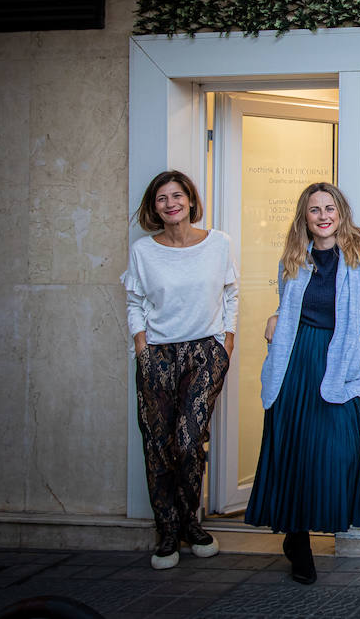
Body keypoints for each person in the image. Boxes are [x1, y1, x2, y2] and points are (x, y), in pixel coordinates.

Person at [245, 182, 360, 584]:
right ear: (304, 218)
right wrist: (274, 320)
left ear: (341, 212)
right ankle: (298, 541)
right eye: (314, 210)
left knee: (336, 449)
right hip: (294, 364)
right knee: (293, 452)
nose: (323, 216)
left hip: (337, 362)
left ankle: (312, 528)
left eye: (330, 208)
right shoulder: (294, 258)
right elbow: (286, 310)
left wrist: (355, 354)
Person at [121, 170, 238, 570]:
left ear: (190, 200)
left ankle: (190, 519)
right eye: (161, 199)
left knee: (188, 441)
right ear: (154, 208)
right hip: (157, 354)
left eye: (177, 196)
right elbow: (134, 300)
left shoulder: (218, 243)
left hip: (205, 352)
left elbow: (231, 292)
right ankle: (167, 529)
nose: (170, 204)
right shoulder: (143, 251)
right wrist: (141, 346)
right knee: (158, 445)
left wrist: (227, 340)